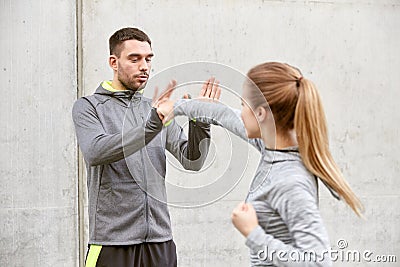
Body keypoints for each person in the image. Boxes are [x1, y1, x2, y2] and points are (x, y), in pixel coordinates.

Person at [156, 62, 363, 266]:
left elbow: (318, 262)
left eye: (243, 105)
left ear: (261, 114)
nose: (241, 112)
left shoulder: (290, 181)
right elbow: (223, 115)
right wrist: (177, 108)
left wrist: (253, 233)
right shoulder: (272, 145)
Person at [72, 27, 214, 267]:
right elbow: (96, 151)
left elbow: (193, 160)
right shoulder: (89, 107)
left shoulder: (154, 109)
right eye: (134, 59)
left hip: (161, 243)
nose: (144, 66)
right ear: (113, 62)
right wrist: (153, 125)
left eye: (148, 59)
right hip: (112, 244)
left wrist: (200, 122)